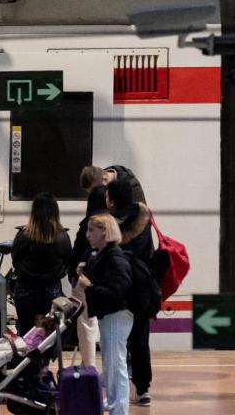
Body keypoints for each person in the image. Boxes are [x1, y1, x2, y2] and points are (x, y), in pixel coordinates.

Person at [77, 213, 133, 415]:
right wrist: (87, 271)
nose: (88, 234)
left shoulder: (115, 258)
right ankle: (115, 405)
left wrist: (89, 286)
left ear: (105, 232)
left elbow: (117, 292)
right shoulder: (104, 255)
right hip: (109, 316)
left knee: (116, 365)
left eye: (92, 230)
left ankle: (120, 409)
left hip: (117, 316)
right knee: (110, 365)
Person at [107, 177, 155, 407]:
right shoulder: (144, 219)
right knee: (140, 340)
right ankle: (144, 389)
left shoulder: (109, 224)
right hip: (143, 287)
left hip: (119, 290)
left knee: (117, 343)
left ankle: (118, 393)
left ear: (112, 199)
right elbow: (150, 252)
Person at [11, 193, 72, 336]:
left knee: (26, 331)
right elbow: (68, 261)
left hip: (26, 289)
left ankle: (27, 358)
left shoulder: (23, 235)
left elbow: (16, 259)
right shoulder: (62, 236)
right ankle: (46, 358)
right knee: (49, 332)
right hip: (51, 290)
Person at [71, 184, 107, 367]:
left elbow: (77, 251)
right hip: (107, 279)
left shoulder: (89, 223)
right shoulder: (113, 223)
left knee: (86, 324)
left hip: (85, 279)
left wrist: (73, 275)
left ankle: (90, 368)